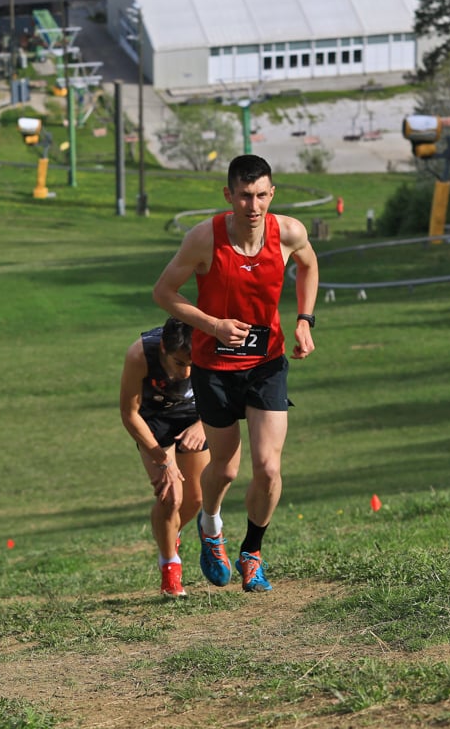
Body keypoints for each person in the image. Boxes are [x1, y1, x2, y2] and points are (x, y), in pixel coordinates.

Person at [152, 154, 319, 594]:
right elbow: (163, 292)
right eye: (245, 196)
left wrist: (304, 320)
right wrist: (212, 326)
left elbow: (308, 264)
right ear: (229, 195)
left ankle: (252, 553)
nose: (253, 205)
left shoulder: (289, 232)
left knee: (268, 467)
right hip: (214, 368)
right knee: (225, 470)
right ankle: (210, 527)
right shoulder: (203, 238)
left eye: (261, 195)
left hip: (266, 364)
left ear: (272, 194)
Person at [119, 317, 209, 598]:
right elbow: (129, 414)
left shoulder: (209, 345)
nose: (186, 372)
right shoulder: (140, 355)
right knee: (171, 498)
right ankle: (170, 566)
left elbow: (229, 393)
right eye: (179, 363)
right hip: (154, 419)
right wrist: (164, 460)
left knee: (195, 499)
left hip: (195, 416)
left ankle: (171, 534)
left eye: (191, 364)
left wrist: (203, 424)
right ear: (163, 349)